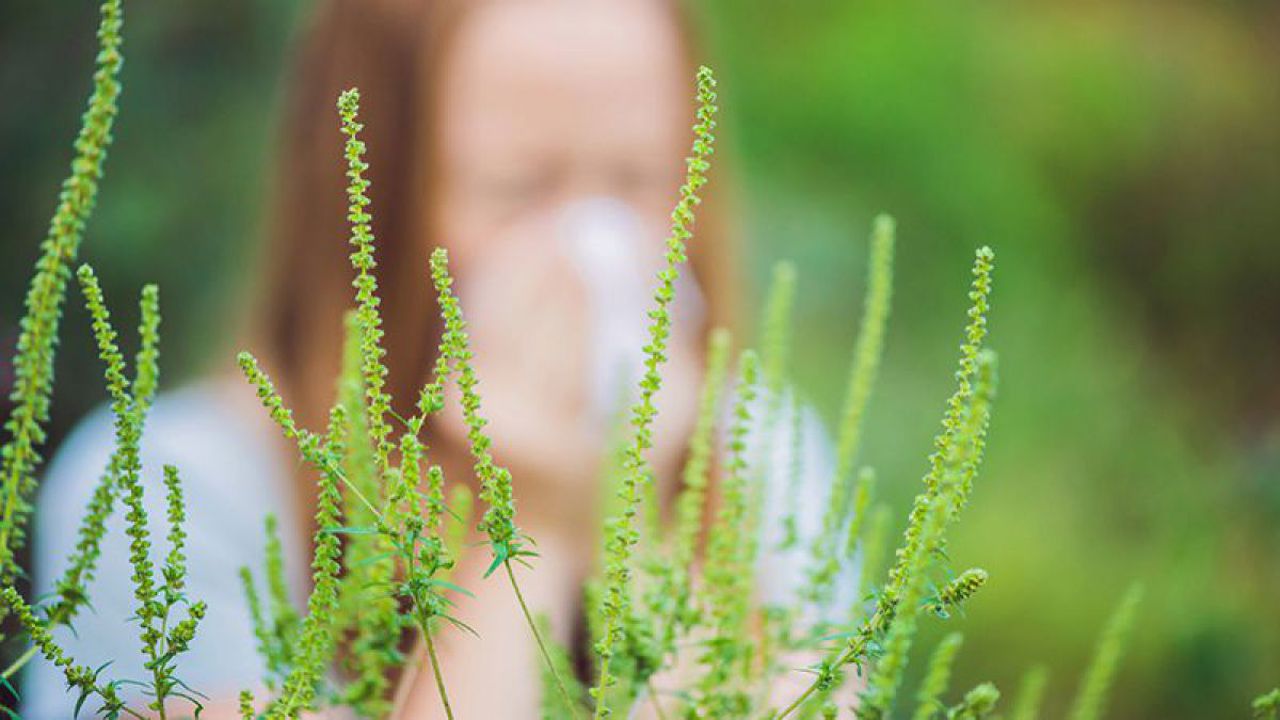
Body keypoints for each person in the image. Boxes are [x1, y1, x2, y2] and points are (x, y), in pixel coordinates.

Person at [24, 0, 849, 717]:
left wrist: (651, 515)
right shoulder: (170, 498)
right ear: (368, 205)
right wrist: (524, 528)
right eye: (518, 186)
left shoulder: (767, 455)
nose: (589, 250)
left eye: (636, 181)